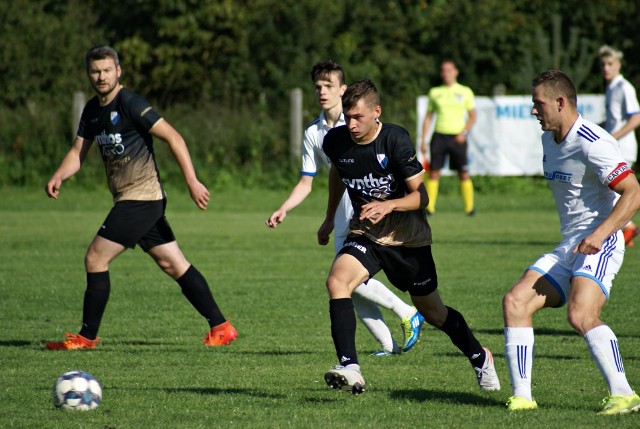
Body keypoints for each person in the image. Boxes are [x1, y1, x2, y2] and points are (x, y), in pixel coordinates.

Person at [44, 45, 237, 350]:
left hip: (141, 199)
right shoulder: (92, 111)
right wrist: (58, 175)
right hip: (132, 200)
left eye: (107, 70)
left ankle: (86, 338)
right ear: (88, 74)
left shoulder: (131, 103)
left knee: (95, 257)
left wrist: (191, 180)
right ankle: (221, 327)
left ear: (118, 70)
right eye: (95, 71)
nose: (101, 76)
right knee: (174, 264)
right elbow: (77, 153)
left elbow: (174, 137)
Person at [318, 79, 500, 394]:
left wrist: (388, 205)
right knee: (337, 282)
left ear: (377, 112)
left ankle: (479, 355)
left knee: (434, 313)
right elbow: (338, 172)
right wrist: (329, 217)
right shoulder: (335, 141)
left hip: (408, 240)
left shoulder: (395, 140)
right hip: (367, 233)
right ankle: (351, 367)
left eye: (358, 117)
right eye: (347, 116)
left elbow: (422, 197)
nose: (351, 124)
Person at [502, 70, 640, 414]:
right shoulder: (550, 139)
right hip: (571, 245)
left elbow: (633, 192)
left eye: (538, 103)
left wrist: (600, 233)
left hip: (601, 240)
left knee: (580, 314)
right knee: (515, 302)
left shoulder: (594, 141)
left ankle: (624, 394)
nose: (534, 110)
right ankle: (523, 398)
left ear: (560, 102)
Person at [267, 61, 424, 356]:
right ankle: (389, 344)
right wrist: (285, 208)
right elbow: (308, 180)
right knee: (344, 285)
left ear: (343, 89)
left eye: (328, 86)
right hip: (341, 216)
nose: (322, 92)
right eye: (317, 87)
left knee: (345, 280)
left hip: (368, 212)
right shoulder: (314, 132)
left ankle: (406, 311)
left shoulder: (356, 122)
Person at [420, 59, 476, 216]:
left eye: (449, 70)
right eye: (443, 70)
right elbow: (428, 118)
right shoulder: (435, 92)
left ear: (456, 72)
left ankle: (469, 208)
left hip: (458, 137)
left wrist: (463, 133)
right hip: (439, 136)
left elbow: (472, 116)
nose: (446, 73)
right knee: (434, 172)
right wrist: (423, 140)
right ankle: (430, 208)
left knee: (463, 172)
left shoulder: (465, 91)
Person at [599, 45, 640, 246]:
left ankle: (629, 228)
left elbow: (636, 118)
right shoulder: (611, 88)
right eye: (603, 64)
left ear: (619, 65)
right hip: (614, 146)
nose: (606, 68)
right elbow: (614, 120)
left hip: (623, 148)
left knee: (617, 191)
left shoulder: (625, 87)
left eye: (610, 64)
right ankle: (626, 231)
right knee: (608, 191)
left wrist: (612, 137)